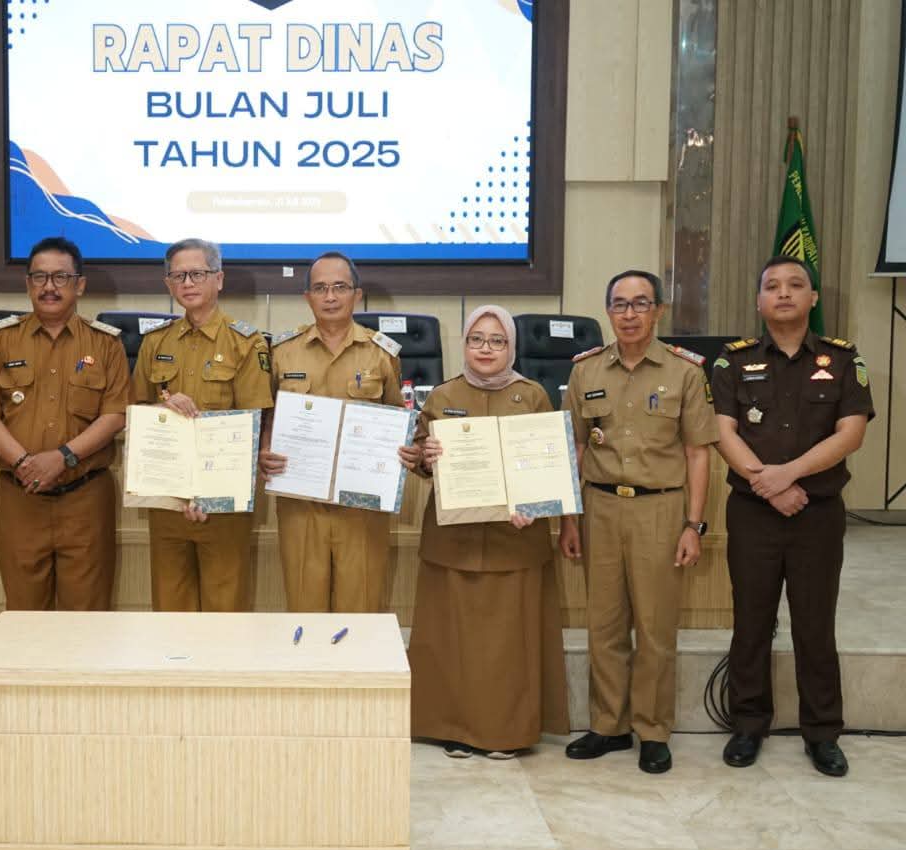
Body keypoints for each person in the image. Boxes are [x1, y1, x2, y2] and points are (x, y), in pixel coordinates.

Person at [712, 256, 873, 777]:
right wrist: (769, 486)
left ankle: (822, 733)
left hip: (817, 513)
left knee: (815, 623)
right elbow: (723, 433)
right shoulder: (731, 362)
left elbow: (851, 433)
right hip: (752, 513)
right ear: (759, 301)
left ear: (813, 298)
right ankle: (748, 724)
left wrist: (789, 476)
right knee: (751, 621)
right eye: (772, 286)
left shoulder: (843, 360)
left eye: (795, 285)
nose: (783, 293)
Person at [558, 269, 718, 774]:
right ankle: (608, 725)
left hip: (660, 510)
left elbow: (698, 454)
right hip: (600, 507)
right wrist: (569, 518)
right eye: (620, 304)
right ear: (608, 311)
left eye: (640, 304)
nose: (629, 314)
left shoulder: (685, 372)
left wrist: (693, 525)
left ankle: (652, 729)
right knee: (603, 624)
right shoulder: (586, 370)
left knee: (654, 627)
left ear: (659, 311)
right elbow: (574, 447)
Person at [408, 305, 570, 758]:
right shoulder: (442, 394)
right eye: (476, 339)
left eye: (497, 340)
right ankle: (453, 729)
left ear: (511, 347)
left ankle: (506, 733)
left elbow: (549, 463)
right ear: (464, 344)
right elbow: (420, 457)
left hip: (514, 540)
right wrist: (426, 457)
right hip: (453, 540)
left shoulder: (532, 395)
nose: (486, 348)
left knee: (507, 645)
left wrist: (535, 505)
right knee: (451, 640)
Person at [0, 237, 130, 611]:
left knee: (86, 614)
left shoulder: (105, 344)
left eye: (60, 277)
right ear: (27, 284)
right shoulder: (0, 340)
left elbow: (116, 414)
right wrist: (23, 462)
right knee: (24, 614)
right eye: (39, 277)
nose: (49, 286)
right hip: (20, 496)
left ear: (79, 285)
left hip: (85, 498)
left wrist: (62, 456)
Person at [260, 251, 415, 612]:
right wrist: (264, 450)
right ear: (307, 297)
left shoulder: (381, 353)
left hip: (361, 505)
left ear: (357, 294)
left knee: (360, 607)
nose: (330, 297)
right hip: (300, 503)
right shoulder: (282, 352)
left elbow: (397, 419)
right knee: (305, 607)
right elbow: (267, 416)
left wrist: (405, 449)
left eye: (340, 287)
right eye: (320, 288)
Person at [132, 238, 274, 611]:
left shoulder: (247, 343)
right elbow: (137, 412)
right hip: (168, 499)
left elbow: (251, 426)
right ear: (168, 284)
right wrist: (161, 408)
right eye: (178, 276)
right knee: (170, 607)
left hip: (222, 505)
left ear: (219, 279)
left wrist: (207, 495)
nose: (188, 283)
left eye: (197, 273)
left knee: (224, 610)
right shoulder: (155, 342)